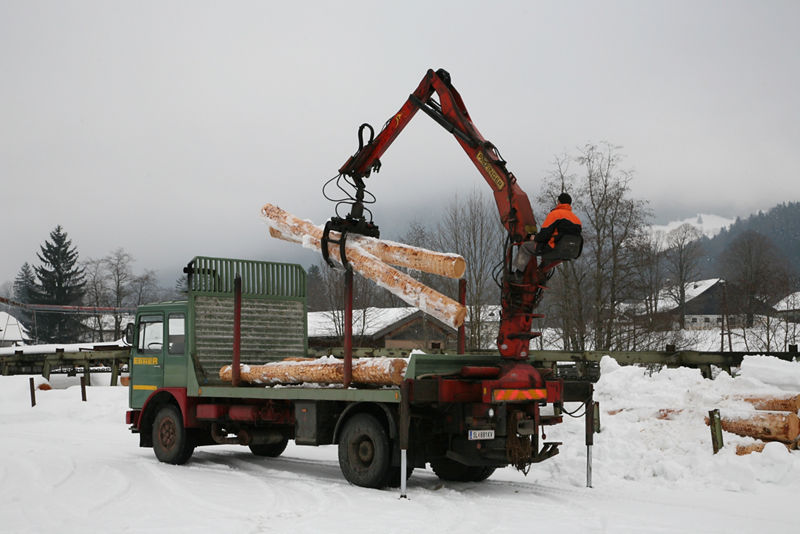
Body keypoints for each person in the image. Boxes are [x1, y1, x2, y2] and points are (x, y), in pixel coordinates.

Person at [511, 192, 582, 276]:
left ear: (559, 202)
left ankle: (518, 274)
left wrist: (534, 238)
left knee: (525, 247)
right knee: (548, 257)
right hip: (571, 252)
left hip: (554, 248)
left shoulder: (555, 214)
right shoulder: (577, 220)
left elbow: (544, 235)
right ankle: (541, 276)